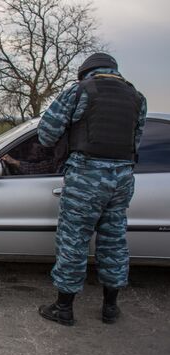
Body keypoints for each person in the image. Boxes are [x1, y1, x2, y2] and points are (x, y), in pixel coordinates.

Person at [37, 53, 147, 326]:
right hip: (122, 178)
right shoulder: (137, 98)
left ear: (85, 72)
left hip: (86, 175)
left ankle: (63, 309)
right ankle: (110, 308)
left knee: (73, 241)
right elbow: (136, 140)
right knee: (114, 241)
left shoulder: (79, 91)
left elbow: (46, 134)